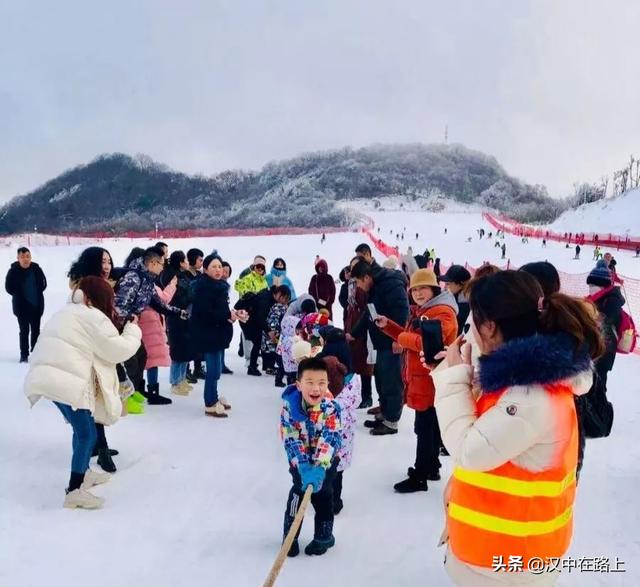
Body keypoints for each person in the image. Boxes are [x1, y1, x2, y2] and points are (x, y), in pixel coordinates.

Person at [432, 270, 602, 585]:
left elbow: (470, 450)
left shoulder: (531, 394)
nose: (468, 333)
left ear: (490, 327)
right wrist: (466, 377)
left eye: (472, 323)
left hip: (509, 565)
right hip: (498, 556)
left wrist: (452, 381)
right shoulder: (519, 380)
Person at [24, 276, 141, 509]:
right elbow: (117, 350)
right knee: (88, 434)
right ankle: (74, 489)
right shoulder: (92, 316)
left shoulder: (67, 311)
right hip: (68, 381)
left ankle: (84, 472)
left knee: (81, 431)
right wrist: (132, 329)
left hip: (48, 378)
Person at [376, 269, 458, 491]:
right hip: (423, 378)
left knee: (424, 427)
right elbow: (408, 336)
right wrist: (390, 327)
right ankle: (432, 466)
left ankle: (420, 475)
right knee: (428, 425)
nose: (418, 293)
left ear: (434, 288)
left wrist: (402, 337)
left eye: (423, 288)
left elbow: (428, 342)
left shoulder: (443, 312)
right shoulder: (426, 310)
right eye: (414, 289)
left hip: (432, 379)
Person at [68, 246, 123, 473]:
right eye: (103, 261)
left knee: (95, 402)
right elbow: (98, 322)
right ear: (92, 263)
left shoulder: (96, 286)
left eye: (109, 261)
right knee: (92, 402)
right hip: (89, 354)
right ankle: (99, 450)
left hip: (97, 352)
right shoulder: (87, 288)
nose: (108, 266)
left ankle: (95, 446)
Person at [280, 357, 342, 557]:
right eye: (310, 383)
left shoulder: (331, 409)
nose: (316, 388)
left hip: (326, 462)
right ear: (298, 385)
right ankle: (290, 537)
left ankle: (323, 537)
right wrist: (303, 466)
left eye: (321, 383)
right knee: (297, 495)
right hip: (301, 463)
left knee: (323, 496)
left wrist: (320, 465)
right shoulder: (289, 408)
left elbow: (330, 438)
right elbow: (290, 438)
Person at [114, 247, 185, 404]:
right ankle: (126, 396)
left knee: (142, 356)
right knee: (130, 360)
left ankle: (136, 390)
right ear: (152, 263)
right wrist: (128, 319)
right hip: (121, 327)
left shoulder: (147, 280)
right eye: (161, 264)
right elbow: (119, 305)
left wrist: (179, 312)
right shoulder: (133, 277)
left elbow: (159, 304)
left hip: (131, 326)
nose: (162, 268)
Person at [350, 259, 409, 435]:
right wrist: (354, 333)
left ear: (367, 277)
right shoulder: (374, 287)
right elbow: (369, 312)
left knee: (391, 381)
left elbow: (402, 311)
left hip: (392, 343)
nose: (359, 286)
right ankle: (385, 413)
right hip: (381, 342)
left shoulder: (390, 283)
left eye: (359, 282)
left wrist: (399, 338)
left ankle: (392, 422)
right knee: (382, 380)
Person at [190, 255, 239, 417]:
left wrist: (231, 314)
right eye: (214, 267)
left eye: (219, 267)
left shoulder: (218, 286)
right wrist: (227, 315)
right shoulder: (204, 287)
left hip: (217, 333)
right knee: (213, 370)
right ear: (205, 269)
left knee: (216, 370)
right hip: (208, 334)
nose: (218, 270)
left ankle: (214, 397)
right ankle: (210, 403)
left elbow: (220, 310)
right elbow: (205, 313)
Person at [582, 261, 625, 438]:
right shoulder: (595, 299)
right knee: (591, 381)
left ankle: (601, 416)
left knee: (599, 381)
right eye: (590, 285)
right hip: (594, 349)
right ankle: (591, 415)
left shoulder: (611, 300)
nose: (591, 288)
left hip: (605, 351)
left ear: (603, 285)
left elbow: (605, 322)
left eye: (594, 285)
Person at [160, 251, 195, 395]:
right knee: (177, 350)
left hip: (186, 317)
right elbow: (176, 298)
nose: (187, 263)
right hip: (176, 317)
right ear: (180, 263)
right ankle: (175, 382)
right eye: (185, 260)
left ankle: (181, 379)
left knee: (186, 349)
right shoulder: (171, 277)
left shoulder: (184, 276)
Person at [5, 246, 47, 363]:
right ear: (18, 258)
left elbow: (43, 284)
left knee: (36, 330)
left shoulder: (36, 268)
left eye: (27, 256)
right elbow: (8, 288)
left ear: (31, 257)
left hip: (36, 306)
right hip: (22, 308)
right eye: (22, 257)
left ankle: (36, 352)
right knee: (24, 331)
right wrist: (18, 292)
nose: (25, 259)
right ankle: (24, 355)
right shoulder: (13, 271)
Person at [262, 285, 292, 382]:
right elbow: (274, 319)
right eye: (284, 298)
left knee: (272, 349)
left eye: (287, 299)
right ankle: (269, 367)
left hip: (273, 332)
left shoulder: (280, 306)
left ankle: (269, 366)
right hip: (272, 332)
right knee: (271, 350)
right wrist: (273, 330)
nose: (285, 300)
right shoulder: (278, 307)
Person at [440, 265, 471, 335]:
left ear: (460, 284)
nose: (445, 286)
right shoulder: (454, 296)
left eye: (448, 284)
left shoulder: (465, 304)